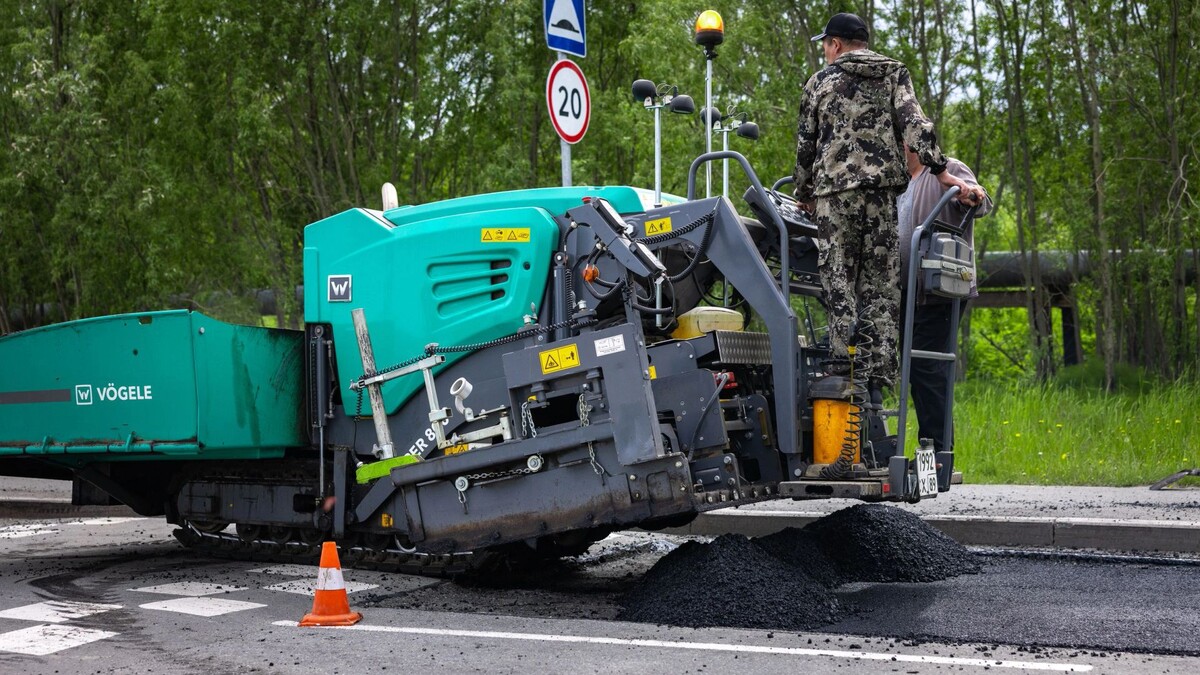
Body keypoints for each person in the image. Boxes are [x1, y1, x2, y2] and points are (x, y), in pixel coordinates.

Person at [793, 12, 981, 395]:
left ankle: (844, 364)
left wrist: (804, 193)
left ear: (837, 45)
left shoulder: (819, 81)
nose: (827, 52)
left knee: (839, 276)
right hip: (881, 197)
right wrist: (942, 171)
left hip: (835, 197)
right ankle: (879, 370)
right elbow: (917, 124)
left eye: (826, 45)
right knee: (881, 281)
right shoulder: (895, 73)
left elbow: (805, 145)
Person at [898, 145, 992, 452]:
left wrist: (970, 195)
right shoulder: (893, 179)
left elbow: (979, 199)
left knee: (926, 369)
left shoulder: (946, 169)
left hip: (938, 291)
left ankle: (937, 454)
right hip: (900, 293)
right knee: (888, 366)